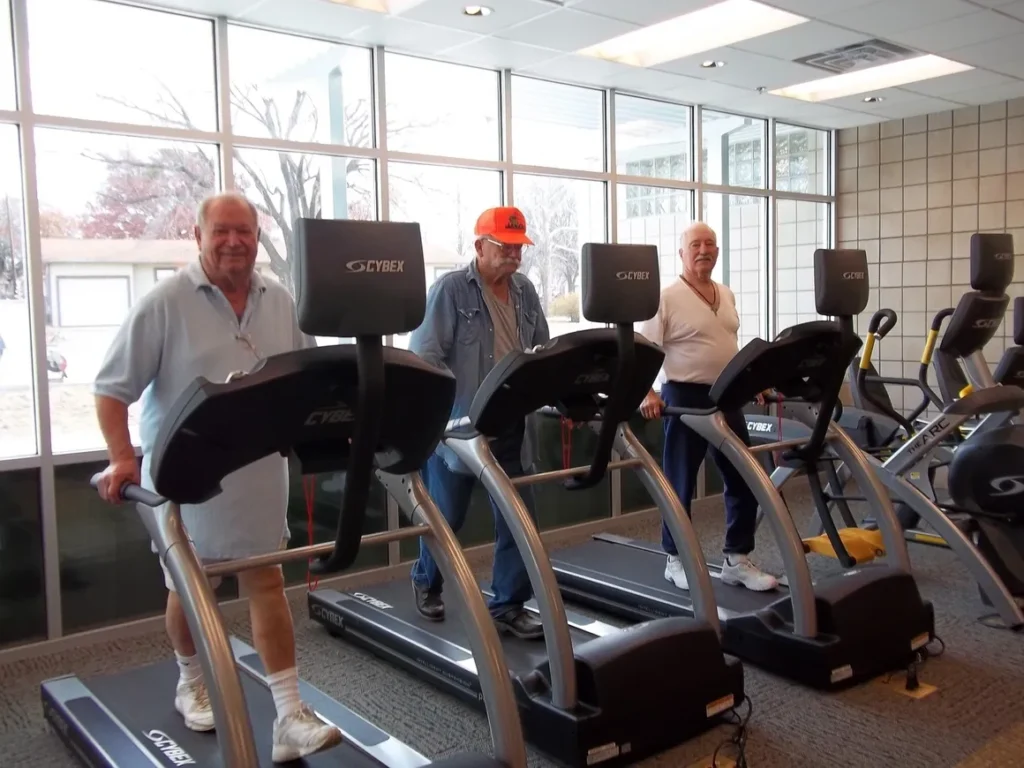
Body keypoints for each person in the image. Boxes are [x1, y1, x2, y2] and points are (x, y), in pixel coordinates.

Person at [91, 192, 343, 763]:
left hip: (257, 469)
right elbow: (110, 390)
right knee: (191, 585)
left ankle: (287, 714)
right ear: (198, 236)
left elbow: (308, 375)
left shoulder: (279, 299)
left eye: (245, 232)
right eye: (222, 232)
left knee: (267, 582)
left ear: (257, 237)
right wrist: (123, 457)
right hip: (185, 470)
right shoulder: (164, 302)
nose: (235, 242)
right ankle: (189, 680)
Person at [408, 206, 550, 640]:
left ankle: (507, 603)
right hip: (459, 429)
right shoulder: (451, 291)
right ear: (479, 246)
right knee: (446, 517)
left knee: (517, 517)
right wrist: (435, 421)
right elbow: (424, 359)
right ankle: (425, 579)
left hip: (511, 424)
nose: (513, 255)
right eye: (504, 246)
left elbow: (542, 348)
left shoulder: (525, 292)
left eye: (518, 247)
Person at [639, 221, 778, 593]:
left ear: (717, 251)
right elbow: (644, 349)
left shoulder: (726, 293)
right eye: (696, 244)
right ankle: (675, 558)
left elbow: (727, 346)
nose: (704, 250)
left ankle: (736, 559)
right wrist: (648, 392)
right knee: (679, 482)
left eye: (710, 244)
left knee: (743, 477)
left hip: (727, 395)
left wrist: (752, 383)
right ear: (681, 253)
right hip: (683, 398)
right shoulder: (666, 297)